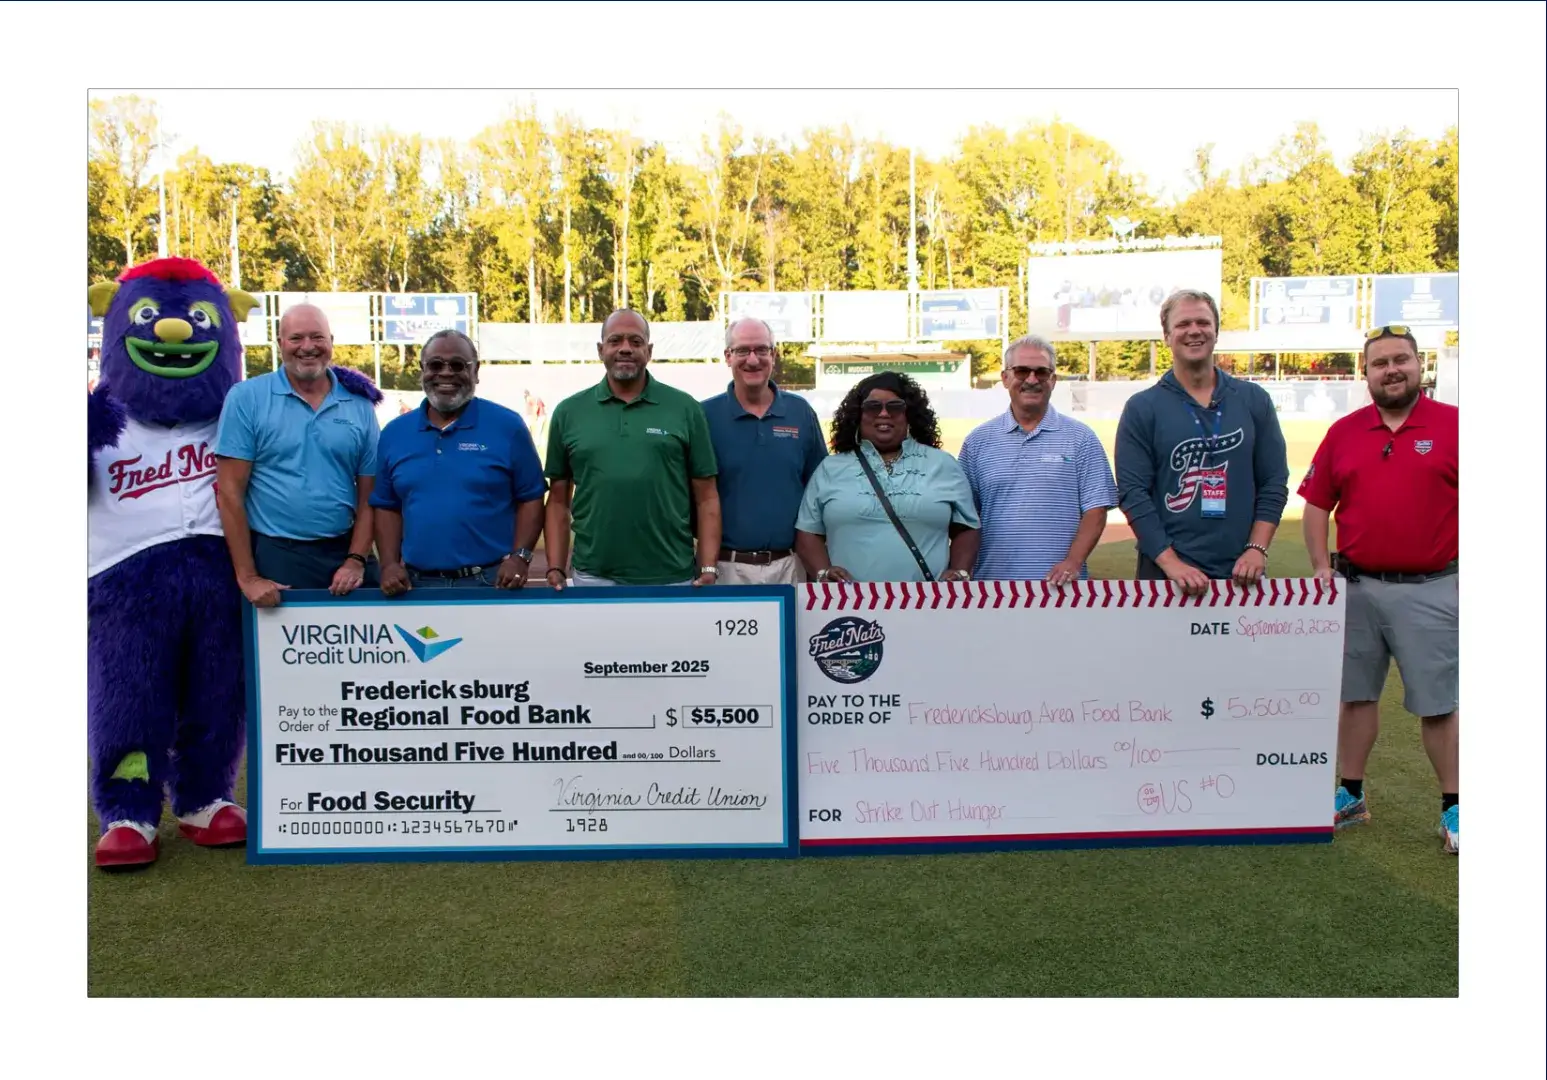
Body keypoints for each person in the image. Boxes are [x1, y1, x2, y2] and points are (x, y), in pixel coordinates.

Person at [1300, 325, 1459, 854]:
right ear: (1364, 373)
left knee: (1438, 704)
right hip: (1358, 587)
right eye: (1380, 363)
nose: (1392, 370)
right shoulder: (1345, 432)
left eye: (1401, 360)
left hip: (1433, 587)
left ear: (1419, 366)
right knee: (1356, 696)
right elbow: (1318, 503)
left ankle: (1454, 808)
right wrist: (1321, 565)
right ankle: (1350, 796)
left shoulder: (1456, 426)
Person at [1114, 289, 1289, 596]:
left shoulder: (1252, 400)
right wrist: (1171, 564)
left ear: (1216, 332)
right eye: (1183, 324)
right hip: (1165, 576)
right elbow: (1133, 494)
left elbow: (1273, 481)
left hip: (1241, 572)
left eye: (1203, 322)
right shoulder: (1143, 407)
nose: (1194, 331)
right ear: (1167, 336)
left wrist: (1257, 549)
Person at [214, 303, 382, 607]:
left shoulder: (360, 406)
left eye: (317, 337)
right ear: (280, 344)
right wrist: (248, 577)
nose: (307, 347)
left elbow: (370, 495)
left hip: (345, 551)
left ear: (331, 341)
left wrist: (356, 558)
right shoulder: (246, 398)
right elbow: (229, 493)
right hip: (279, 555)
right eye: (296, 338)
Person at [542, 309, 721, 588]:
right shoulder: (569, 412)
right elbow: (558, 499)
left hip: (671, 575)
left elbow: (707, 496)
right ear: (601, 350)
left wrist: (708, 565)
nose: (625, 348)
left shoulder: (685, 408)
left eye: (635, 342)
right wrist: (555, 566)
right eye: (616, 341)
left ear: (649, 351)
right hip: (594, 575)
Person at [371, 329, 546, 594]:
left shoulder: (508, 427)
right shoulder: (395, 433)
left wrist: (521, 557)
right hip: (416, 584)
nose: (446, 373)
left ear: (476, 371)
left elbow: (531, 497)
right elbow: (386, 505)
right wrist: (389, 564)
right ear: (422, 369)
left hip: (491, 580)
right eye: (435, 365)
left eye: (457, 365)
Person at [958, 335, 1116, 584]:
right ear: (1005, 378)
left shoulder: (1081, 438)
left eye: (1041, 372)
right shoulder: (977, 442)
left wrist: (1073, 562)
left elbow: (1095, 509)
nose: (1032, 380)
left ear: (1053, 380)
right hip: (992, 591)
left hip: (1061, 591)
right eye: (1022, 371)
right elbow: (965, 517)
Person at [795, 371, 980, 583]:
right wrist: (823, 572)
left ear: (909, 414)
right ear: (858, 415)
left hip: (929, 603)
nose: (884, 414)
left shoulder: (944, 465)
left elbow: (966, 527)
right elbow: (808, 531)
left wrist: (960, 570)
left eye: (895, 407)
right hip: (848, 605)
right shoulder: (830, 468)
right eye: (873, 407)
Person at [700, 317, 828, 584]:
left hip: (791, 565)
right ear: (727, 356)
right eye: (742, 350)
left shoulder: (800, 412)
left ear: (774, 354)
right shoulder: (704, 415)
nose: (753, 360)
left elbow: (820, 488)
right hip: (726, 567)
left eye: (761, 350)